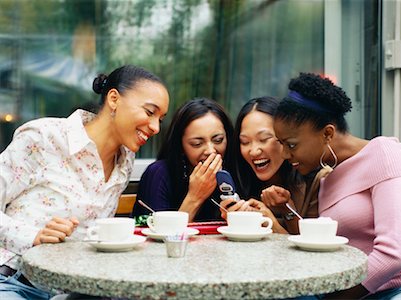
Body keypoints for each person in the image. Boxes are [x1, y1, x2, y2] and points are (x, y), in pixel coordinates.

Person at [273, 72, 401, 299]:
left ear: (327, 133)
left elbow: (394, 254)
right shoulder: (327, 179)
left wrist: (337, 298)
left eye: (291, 144)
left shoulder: (385, 153)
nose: (286, 154)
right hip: (361, 291)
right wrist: (285, 211)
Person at [0, 65, 169, 299]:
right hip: (15, 281)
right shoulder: (43, 137)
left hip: (80, 289)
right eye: (150, 112)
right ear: (113, 99)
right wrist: (34, 236)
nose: (156, 127)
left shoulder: (125, 161)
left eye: (160, 118)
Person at [221, 96, 331, 234]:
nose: (254, 151)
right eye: (244, 142)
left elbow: (314, 249)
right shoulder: (235, 182)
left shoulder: (318, 179)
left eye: (264, 139)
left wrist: (273, 222)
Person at [132, 98, 234, 222]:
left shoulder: (234, 168)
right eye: (197, 143)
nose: (210, 150)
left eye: (218, 140)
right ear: (181, 146)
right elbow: (160, 235)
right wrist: (195, 197)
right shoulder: (159, 174)